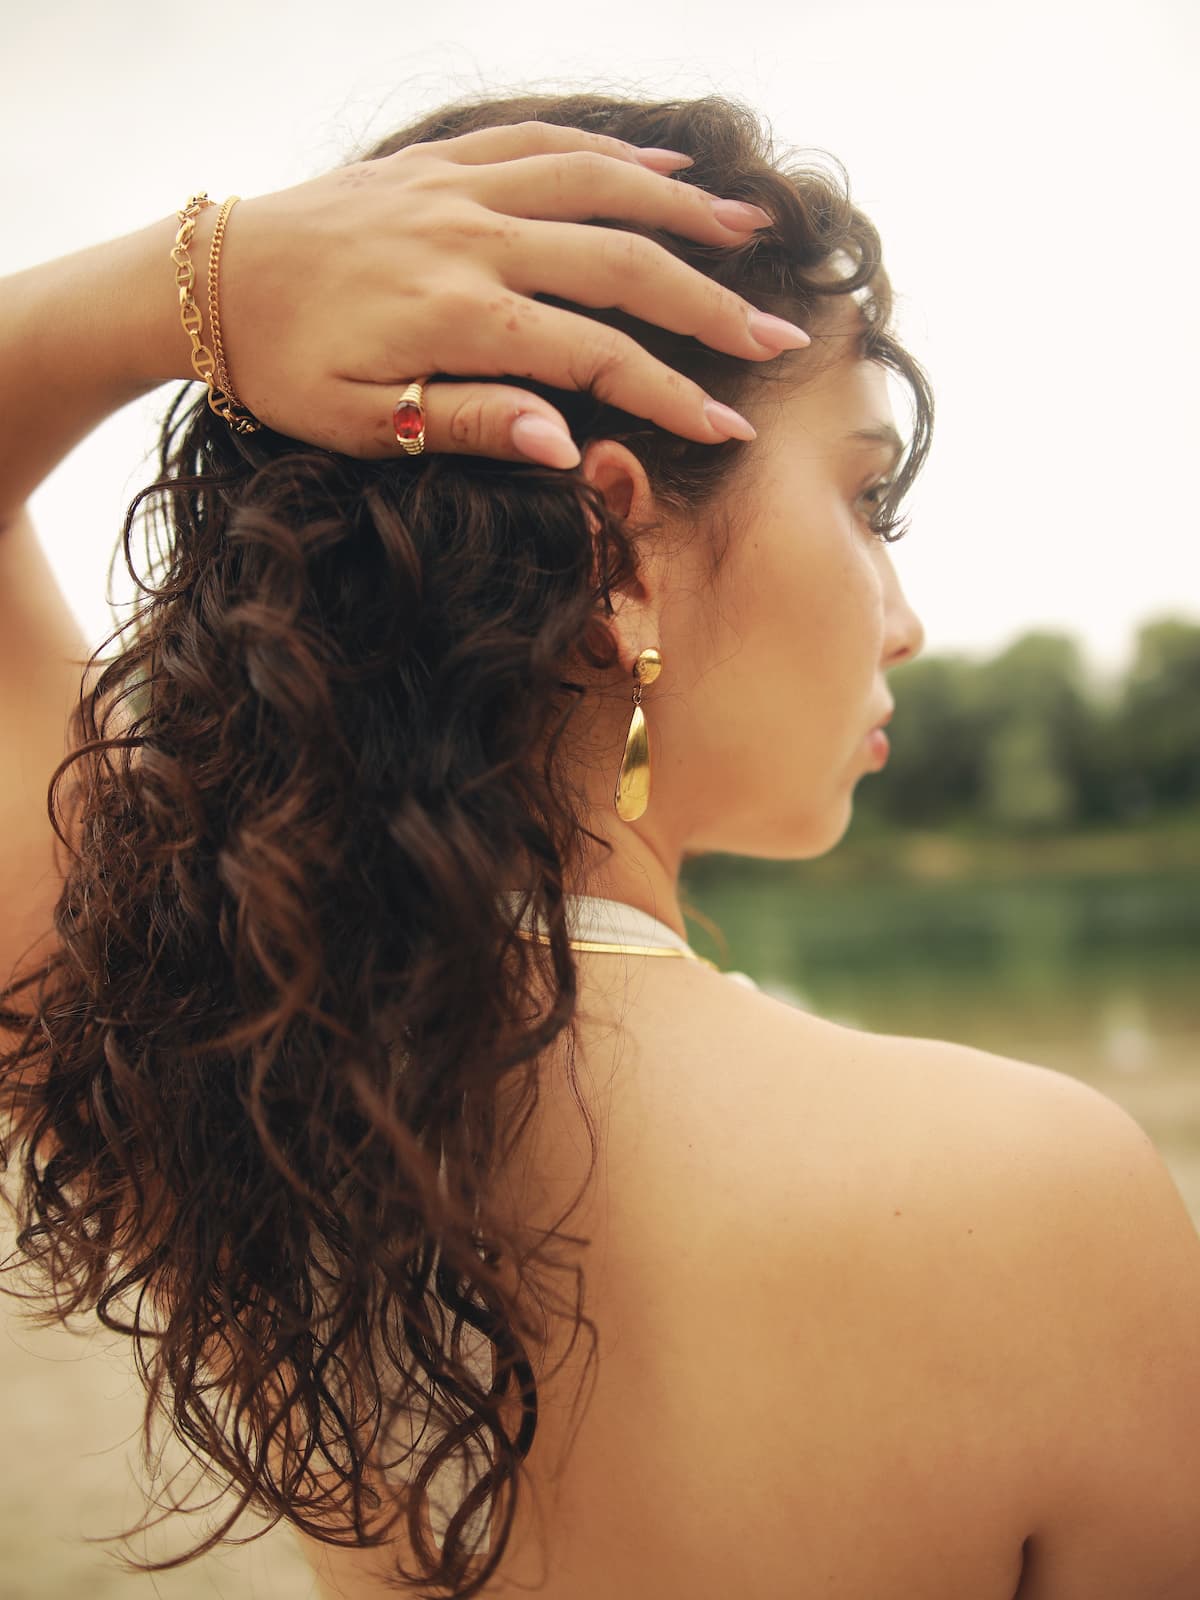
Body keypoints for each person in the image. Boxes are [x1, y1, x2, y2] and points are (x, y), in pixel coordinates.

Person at [1, 89, 1198, 1600]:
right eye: (867, 495)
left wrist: (196, 285)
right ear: (615, 558)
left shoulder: (223, 1094)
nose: (905, 618)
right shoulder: (1042, 1202)